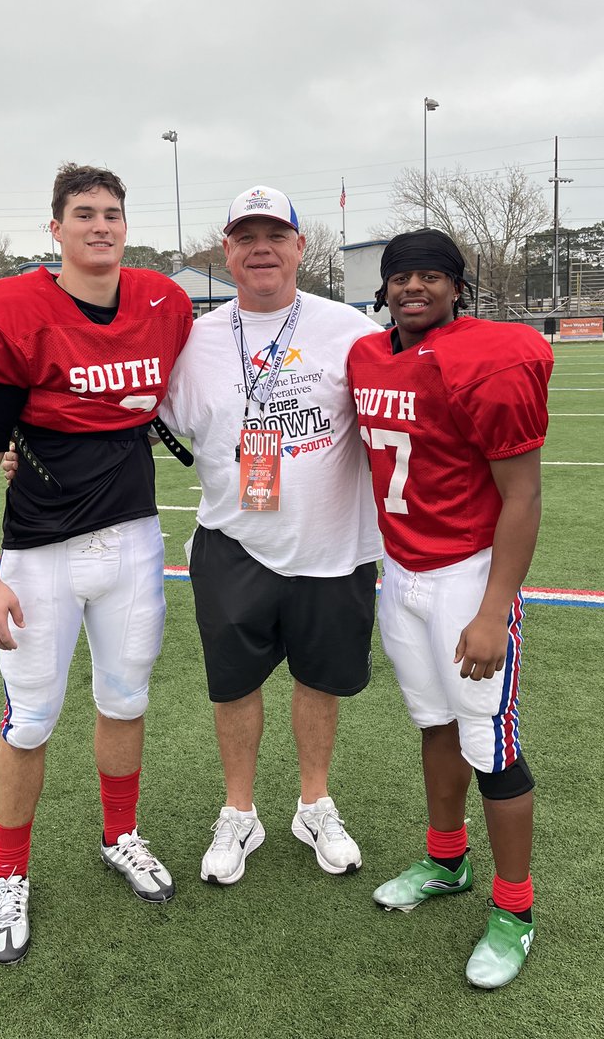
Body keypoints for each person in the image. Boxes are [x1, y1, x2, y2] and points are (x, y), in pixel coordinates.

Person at [0, 163, 193, 964]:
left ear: (128, 225)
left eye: (113, 213)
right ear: (54, 229)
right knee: (31, 721)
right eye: (84, 213)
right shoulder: (11, 312)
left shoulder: (165, 303)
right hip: (40, 554)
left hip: (131, 542)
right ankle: (9, 875)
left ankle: (120, 833)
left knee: (125, 700)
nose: (101, 225)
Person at [346, 228, 553, 990]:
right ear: (385, 288)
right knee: (434, 723)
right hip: (399, 573)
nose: (414, 289)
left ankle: (515, 911)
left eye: (432, 277)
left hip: (467, 574)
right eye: (403, 278)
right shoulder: (368, 356)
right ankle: (444, 860)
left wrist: (495, 607)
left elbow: (523, 494)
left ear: (458, 287)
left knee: (491, 746)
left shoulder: (489, 356)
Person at [158, 186, 383, 885]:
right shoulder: (194, 340)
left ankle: (314, 803)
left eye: (274, 235)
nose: (261, 249)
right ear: (225, 250)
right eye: (245, 236)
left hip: (333, 542)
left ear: (298, 246)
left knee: (320, 680)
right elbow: (129, 417)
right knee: (234, 685)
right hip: (233, 540)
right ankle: (239, 811)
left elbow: (406, 418)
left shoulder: (350, 330)